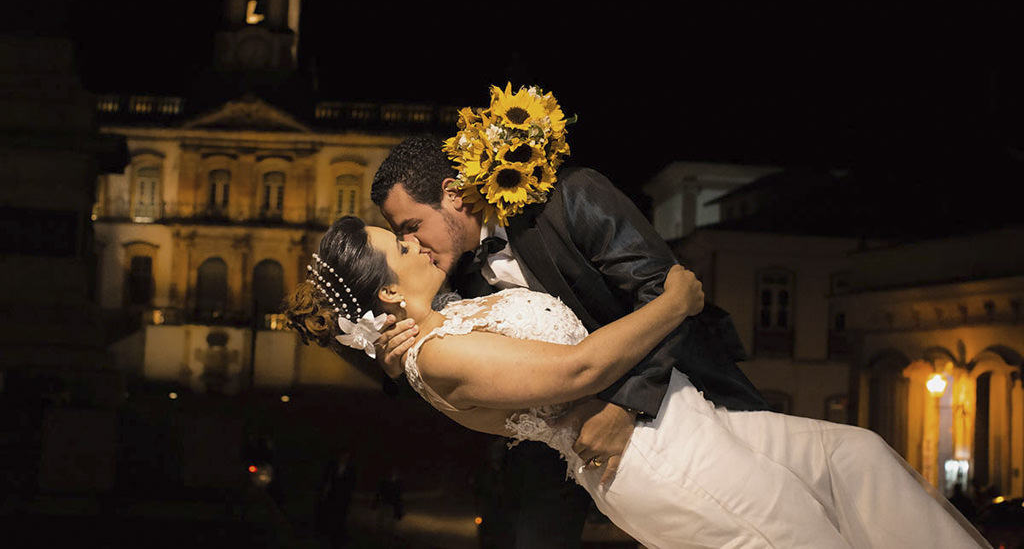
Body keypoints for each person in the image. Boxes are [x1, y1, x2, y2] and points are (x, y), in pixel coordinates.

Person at [283, 216, 991, 548]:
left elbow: (418, 332)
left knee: (856, 457)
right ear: (382, 295)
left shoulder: (436, 322)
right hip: (650, 456)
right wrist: (673, 305)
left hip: (681, 414)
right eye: (398, 246)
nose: (413, 242)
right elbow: (578, 370)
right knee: (801, 537)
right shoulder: (436, 356)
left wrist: (387, 338)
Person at [368, 134, 770, 547]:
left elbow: (664, 291)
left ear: (453, 193)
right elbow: (428, 365)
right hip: (553, 452)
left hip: (675, 398)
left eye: (412, 227)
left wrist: (625, 405)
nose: (413, 245)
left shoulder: (570, 198)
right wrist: (393, 362)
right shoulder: (445, 274)